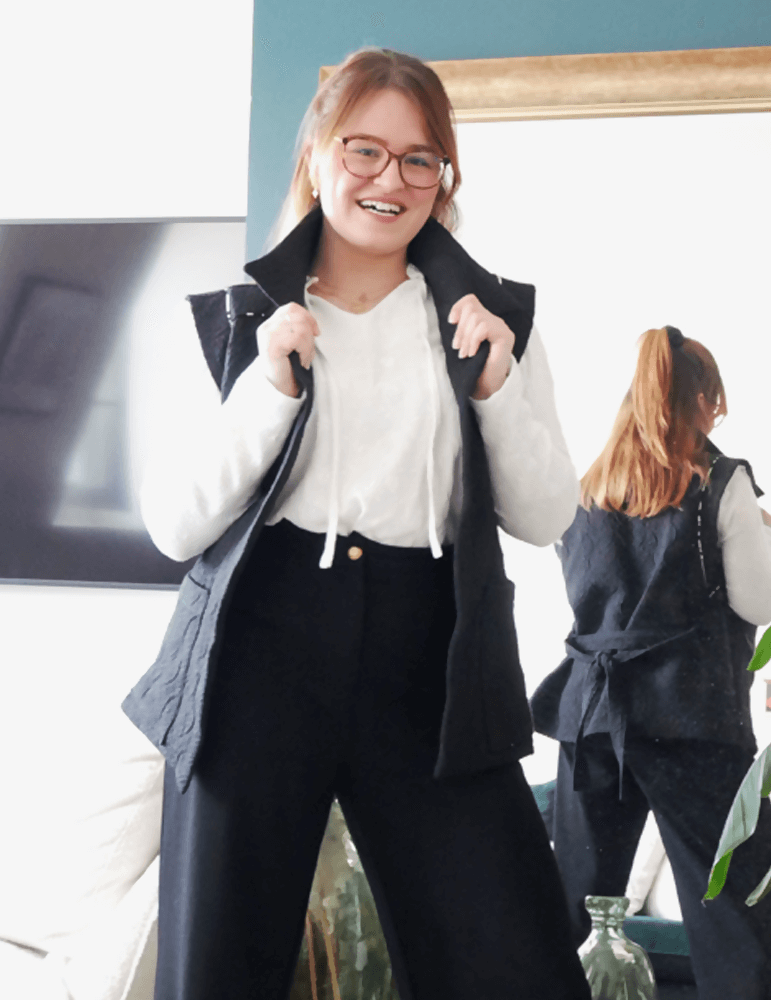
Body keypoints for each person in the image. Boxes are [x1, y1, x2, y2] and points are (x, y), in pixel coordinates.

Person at [123, 47, 591, 1000]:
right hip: (260, 647)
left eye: (421, 158)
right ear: (315, 156)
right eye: (365, 150)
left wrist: (498, 383)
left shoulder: (495, 320)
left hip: (435, 650)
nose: (392, 179)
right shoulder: (237, 319)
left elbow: (545, 519)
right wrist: (269, 382)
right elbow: (175, 528)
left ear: (444, 177)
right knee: (216, 967)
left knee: (515, 959)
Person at [531, 325, 771, 1000]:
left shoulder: (584, 489)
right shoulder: (720, 482)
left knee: (578, 908)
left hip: (591, 712)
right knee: (735, 910)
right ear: (702, 400)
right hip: (689, 713)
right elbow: (756, 600)